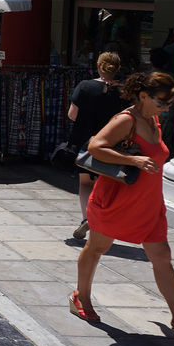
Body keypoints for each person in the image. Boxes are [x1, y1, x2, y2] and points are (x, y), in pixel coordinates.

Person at [72, 71, 174, 343]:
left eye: (170, 103)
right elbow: (95, 146)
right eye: (161, 103)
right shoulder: (126, 120)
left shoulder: (153, 119)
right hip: (116, 202)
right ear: (143, 96)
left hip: (148, 204)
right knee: (97, 248)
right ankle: (81, 297)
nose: (166, 108)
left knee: (162, 257)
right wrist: (133, 161)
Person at [67, 52, 126, 240]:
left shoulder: (85, 86)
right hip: (112, 144)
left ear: (98, 66)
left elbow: (72, 115)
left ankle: (86, 218)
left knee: (85, 183)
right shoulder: (123, 91)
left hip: (87, 141)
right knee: (107, 182)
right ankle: (104, 219)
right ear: (117, 68)